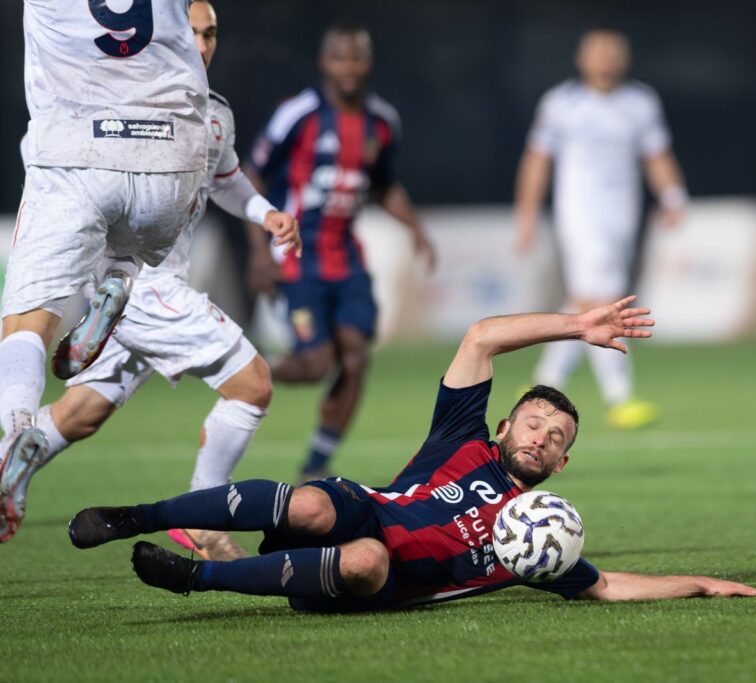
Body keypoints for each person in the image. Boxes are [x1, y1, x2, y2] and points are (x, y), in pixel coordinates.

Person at [68, 296, 756, 611]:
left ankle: (195, 578)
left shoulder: (535, 538)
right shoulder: (462, 435)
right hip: (360, 509)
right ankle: (135, 516)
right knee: (314, 503)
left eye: (556, 438)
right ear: (504, 426)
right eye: (533, 423)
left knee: (369, 560)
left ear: (561, 466)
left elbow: (606, 585)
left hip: (359, 580)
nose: (540, 436)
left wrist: (702, 584)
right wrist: (575, 325)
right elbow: (481, 337)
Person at [0, 0, 302, 552]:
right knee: (253, 385)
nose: (203, 45)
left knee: (78, 412)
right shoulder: (168, 104)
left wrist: (266, 214)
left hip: (122, 228)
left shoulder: (213, 112)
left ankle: (13, 443)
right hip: (154, 279)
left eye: (211, 34)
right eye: (194, 32)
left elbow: (228, 178)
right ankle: (205, 522)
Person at [0, 0, 212, 542]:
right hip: (174, 155)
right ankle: (119, 276)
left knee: (26, 324)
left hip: (77, 147)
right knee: (130, 240)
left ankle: (14, 434)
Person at [245, 24, 436, 482]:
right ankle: (247, 367)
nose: (348, 67)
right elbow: (251, 174)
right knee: (316, 365)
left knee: (355, 358)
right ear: (324, 62)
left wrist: (416, 228)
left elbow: (384, 186)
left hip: (347, 258)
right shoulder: (299, 114)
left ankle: (316, 463)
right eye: (339, 57)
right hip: (296, 255)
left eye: (356, 57)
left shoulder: (382, 122)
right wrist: (258, 252)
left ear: (368, 62)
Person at [515, 28, 690, 430]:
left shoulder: (640, 102)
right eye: (598, 52)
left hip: (622, 216)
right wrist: (526, 214)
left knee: (586, 301)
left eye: (614, 52)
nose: (606, 59)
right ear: (581, 58)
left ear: (626, 59)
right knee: (606, 300)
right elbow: (537, 159)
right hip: (579, 213)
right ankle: (619, 398)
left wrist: (673, 195)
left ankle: (543, 384)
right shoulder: (561, 103)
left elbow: (656, 153)